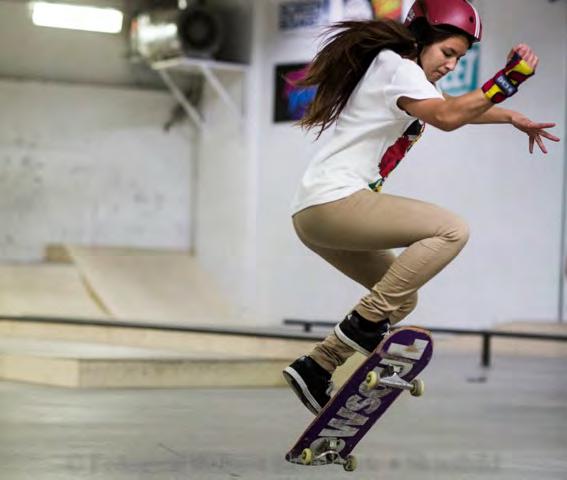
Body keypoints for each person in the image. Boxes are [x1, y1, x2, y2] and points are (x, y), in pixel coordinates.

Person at [282, 0, 560, 415]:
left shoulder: (396, 72)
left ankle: (319, 367)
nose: (451, 65)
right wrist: (509, 79)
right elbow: (448, 116)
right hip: (335, 201)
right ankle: (349, 337)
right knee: (451, 229)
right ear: (422, 38)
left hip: (315, 213)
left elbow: (452, 107)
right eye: (448, 53)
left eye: (459, 58)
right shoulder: (399, 68)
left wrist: (509, 117)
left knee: (402, 299)